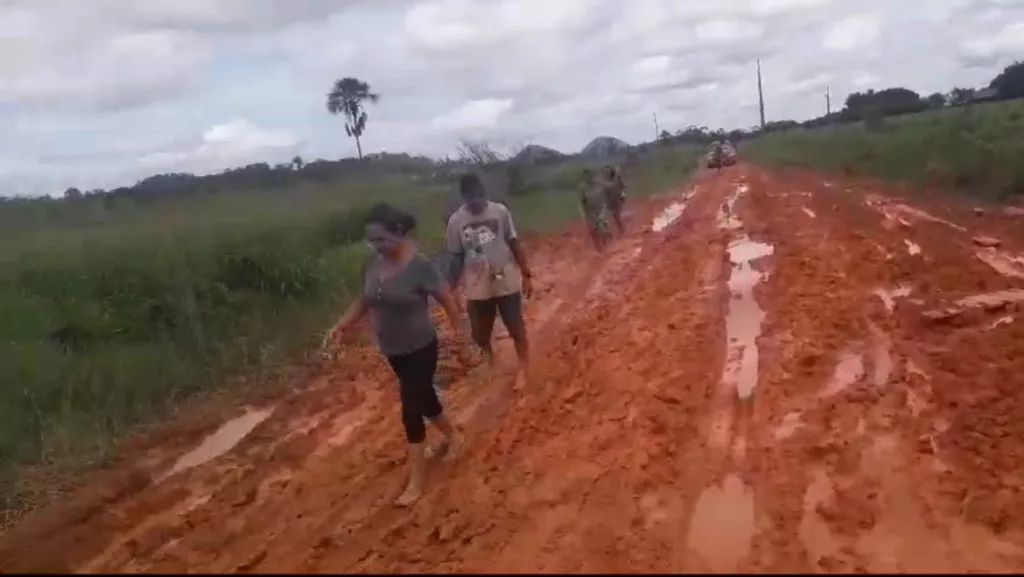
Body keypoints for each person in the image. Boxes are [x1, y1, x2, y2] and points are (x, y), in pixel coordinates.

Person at [326, 202, 470, 507]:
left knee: (411, 409)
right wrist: (341, 325)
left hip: (421, 346)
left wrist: (460, 336)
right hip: (392, 349)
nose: (377, 245)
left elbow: (446, 298)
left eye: (382, 239)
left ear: (399, 233)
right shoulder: (371, 264)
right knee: (426, 399)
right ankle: (455, 437)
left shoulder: (419, 265)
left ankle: (417, 480)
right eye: (372, 240)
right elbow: (364, 301)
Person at [445, 173, 533, 383]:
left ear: (483, 192)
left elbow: (514, 243)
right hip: (476, 286)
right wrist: (451, 286)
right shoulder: (456, 221)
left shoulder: (500, 212)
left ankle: (524, 364)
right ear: (464, 197)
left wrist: (526, 274)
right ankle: (490, 359)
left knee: (515, 325)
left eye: (478, 197)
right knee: (480, 332)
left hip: (505, 281)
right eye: (470, 198)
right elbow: (456, 257)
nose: (475, 202)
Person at [579, 168, 613, 252]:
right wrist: (583, 214)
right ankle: (599, 249)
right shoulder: (583, 188)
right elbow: (581, 202)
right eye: (586, 177)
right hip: (590, 212)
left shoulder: (599, 184)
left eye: (590, 176)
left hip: (601, 209)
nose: (588, 178)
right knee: (593, 231)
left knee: (603, 229)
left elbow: (610, 188)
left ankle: (607, 245)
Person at [600, 164, 627, 236]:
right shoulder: (602, 183)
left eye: (607, 171)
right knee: (607, 219)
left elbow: (623, 187)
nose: (606, 173)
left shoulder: (617, 179)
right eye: (604, 172)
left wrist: (623, 194)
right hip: (608, 202)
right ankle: (610, 235)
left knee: (617, 217)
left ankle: (622, 232)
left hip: (616, 201)